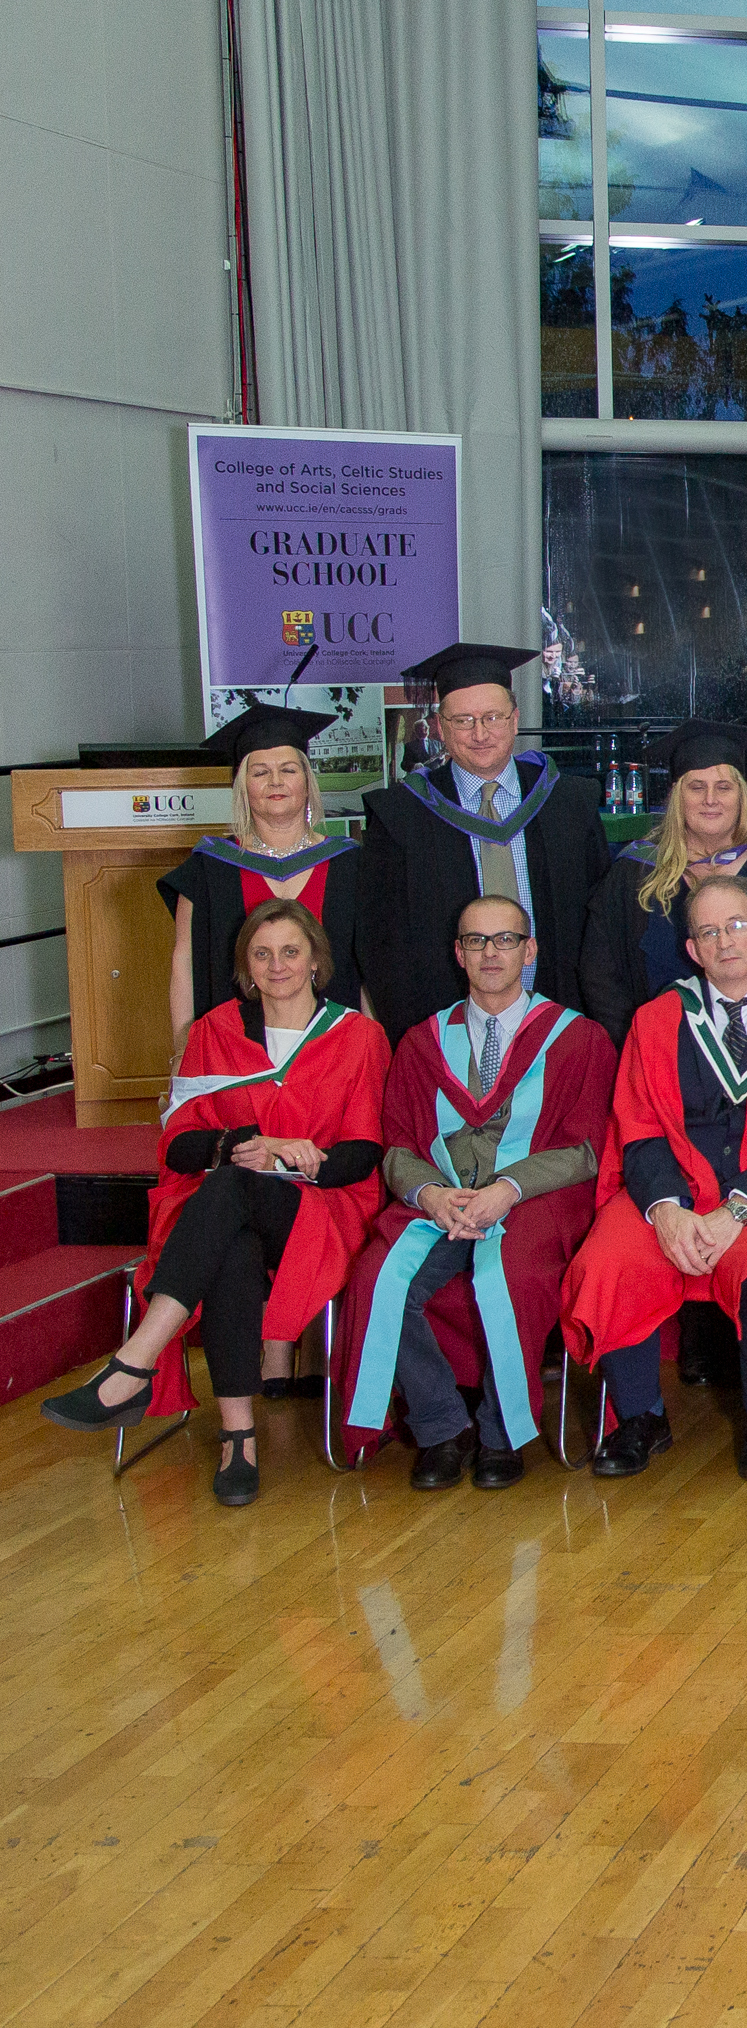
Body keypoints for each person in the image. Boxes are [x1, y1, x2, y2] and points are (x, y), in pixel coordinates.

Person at [42, 902, 388, 1506]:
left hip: (320, 1212)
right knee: (233, 1237)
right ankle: (238, 1439)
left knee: (228, 1190)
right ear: (246, 969)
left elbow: (362, 1156)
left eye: (289, 951)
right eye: (262, 954)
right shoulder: (215, 1032)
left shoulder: (357, 1037)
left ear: (315, 962)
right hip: (228, 1213)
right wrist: (243, 1144)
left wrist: (290, 1157)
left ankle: (135, 1363)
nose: (276, 965)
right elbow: (179, 1148)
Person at [559, 874, 747, 1481]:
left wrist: (737, 1210)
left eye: (737, 926)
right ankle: (639, 1416)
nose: (725, 942)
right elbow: (637, 1130)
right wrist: (666, 1209)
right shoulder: (657, 1019)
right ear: (691, 949)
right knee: (610, 1258)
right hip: (673, 1190)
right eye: (708, 932)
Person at [330, 895, 617, 1490]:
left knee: (508, 1276)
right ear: (458, 953)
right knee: (378, 1278)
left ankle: (500, 1433)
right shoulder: (422, 1041)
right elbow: (398, 1148)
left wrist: (508, 1189)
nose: (492, 953)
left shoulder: (578, 1040)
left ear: (529, 949)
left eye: (506, 939)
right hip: (441, 1204)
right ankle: (440, 1425)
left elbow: (586, 1149)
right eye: (477, 942)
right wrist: (430, 1194)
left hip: (533, 1201)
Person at [360, 641, 614, 1035]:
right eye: (462, 720)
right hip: (448, 1031)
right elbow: (383, 946)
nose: (480, 733)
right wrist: (421, 1042)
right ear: (441, 729)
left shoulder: (569, 803)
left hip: (561, 1025)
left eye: (492, 717)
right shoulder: (400, 817)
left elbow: (602, 930)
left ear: (514, 720)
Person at [580, 721, 747, 1043]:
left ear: (742, 795)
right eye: (696, 787)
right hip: (662, 1052)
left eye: (724, 787)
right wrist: (637, 1046)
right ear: (675, 795)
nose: (710, 799)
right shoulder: (635, 873)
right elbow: (600, 976)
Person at [162, 702, 362, 1049]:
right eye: (259, 773)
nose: (275, 782)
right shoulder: (210, 867)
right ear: (242, 786)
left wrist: (374, 1048)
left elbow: (369, 970)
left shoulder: (351, 864)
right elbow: (185, 962)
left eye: (288, 770)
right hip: (238, 1049)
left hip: (336, 1050)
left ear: (307, 780)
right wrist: (182, 1049)